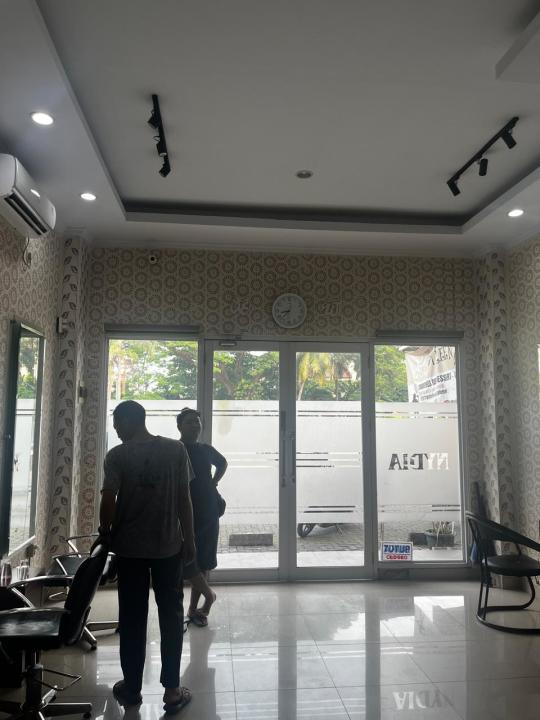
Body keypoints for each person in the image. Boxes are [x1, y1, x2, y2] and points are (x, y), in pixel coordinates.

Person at [96, 400, 195, 713]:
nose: (116, 430)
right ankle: (172, 691)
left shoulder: (117, 456)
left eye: (117, 424)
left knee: (132, 619)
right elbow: (184, 498)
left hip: (130, 551)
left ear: (128, 421)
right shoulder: (175, 450)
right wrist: (190, 539)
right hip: (168, 548)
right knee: (171, 617)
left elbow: (108, 499)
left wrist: (105, 532)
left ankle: (132, 689)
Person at [176, 408, 227, 627]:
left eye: (197, 422)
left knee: (204, 559)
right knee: (184, 557)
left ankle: (195, 609)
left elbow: (223, 463)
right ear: (179, 426)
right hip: (183, 509)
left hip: (208, 509)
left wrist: (213, 483)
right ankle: (207, 596)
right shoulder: (175, 448)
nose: (195, 425)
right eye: (189, 422)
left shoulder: (205, 449)